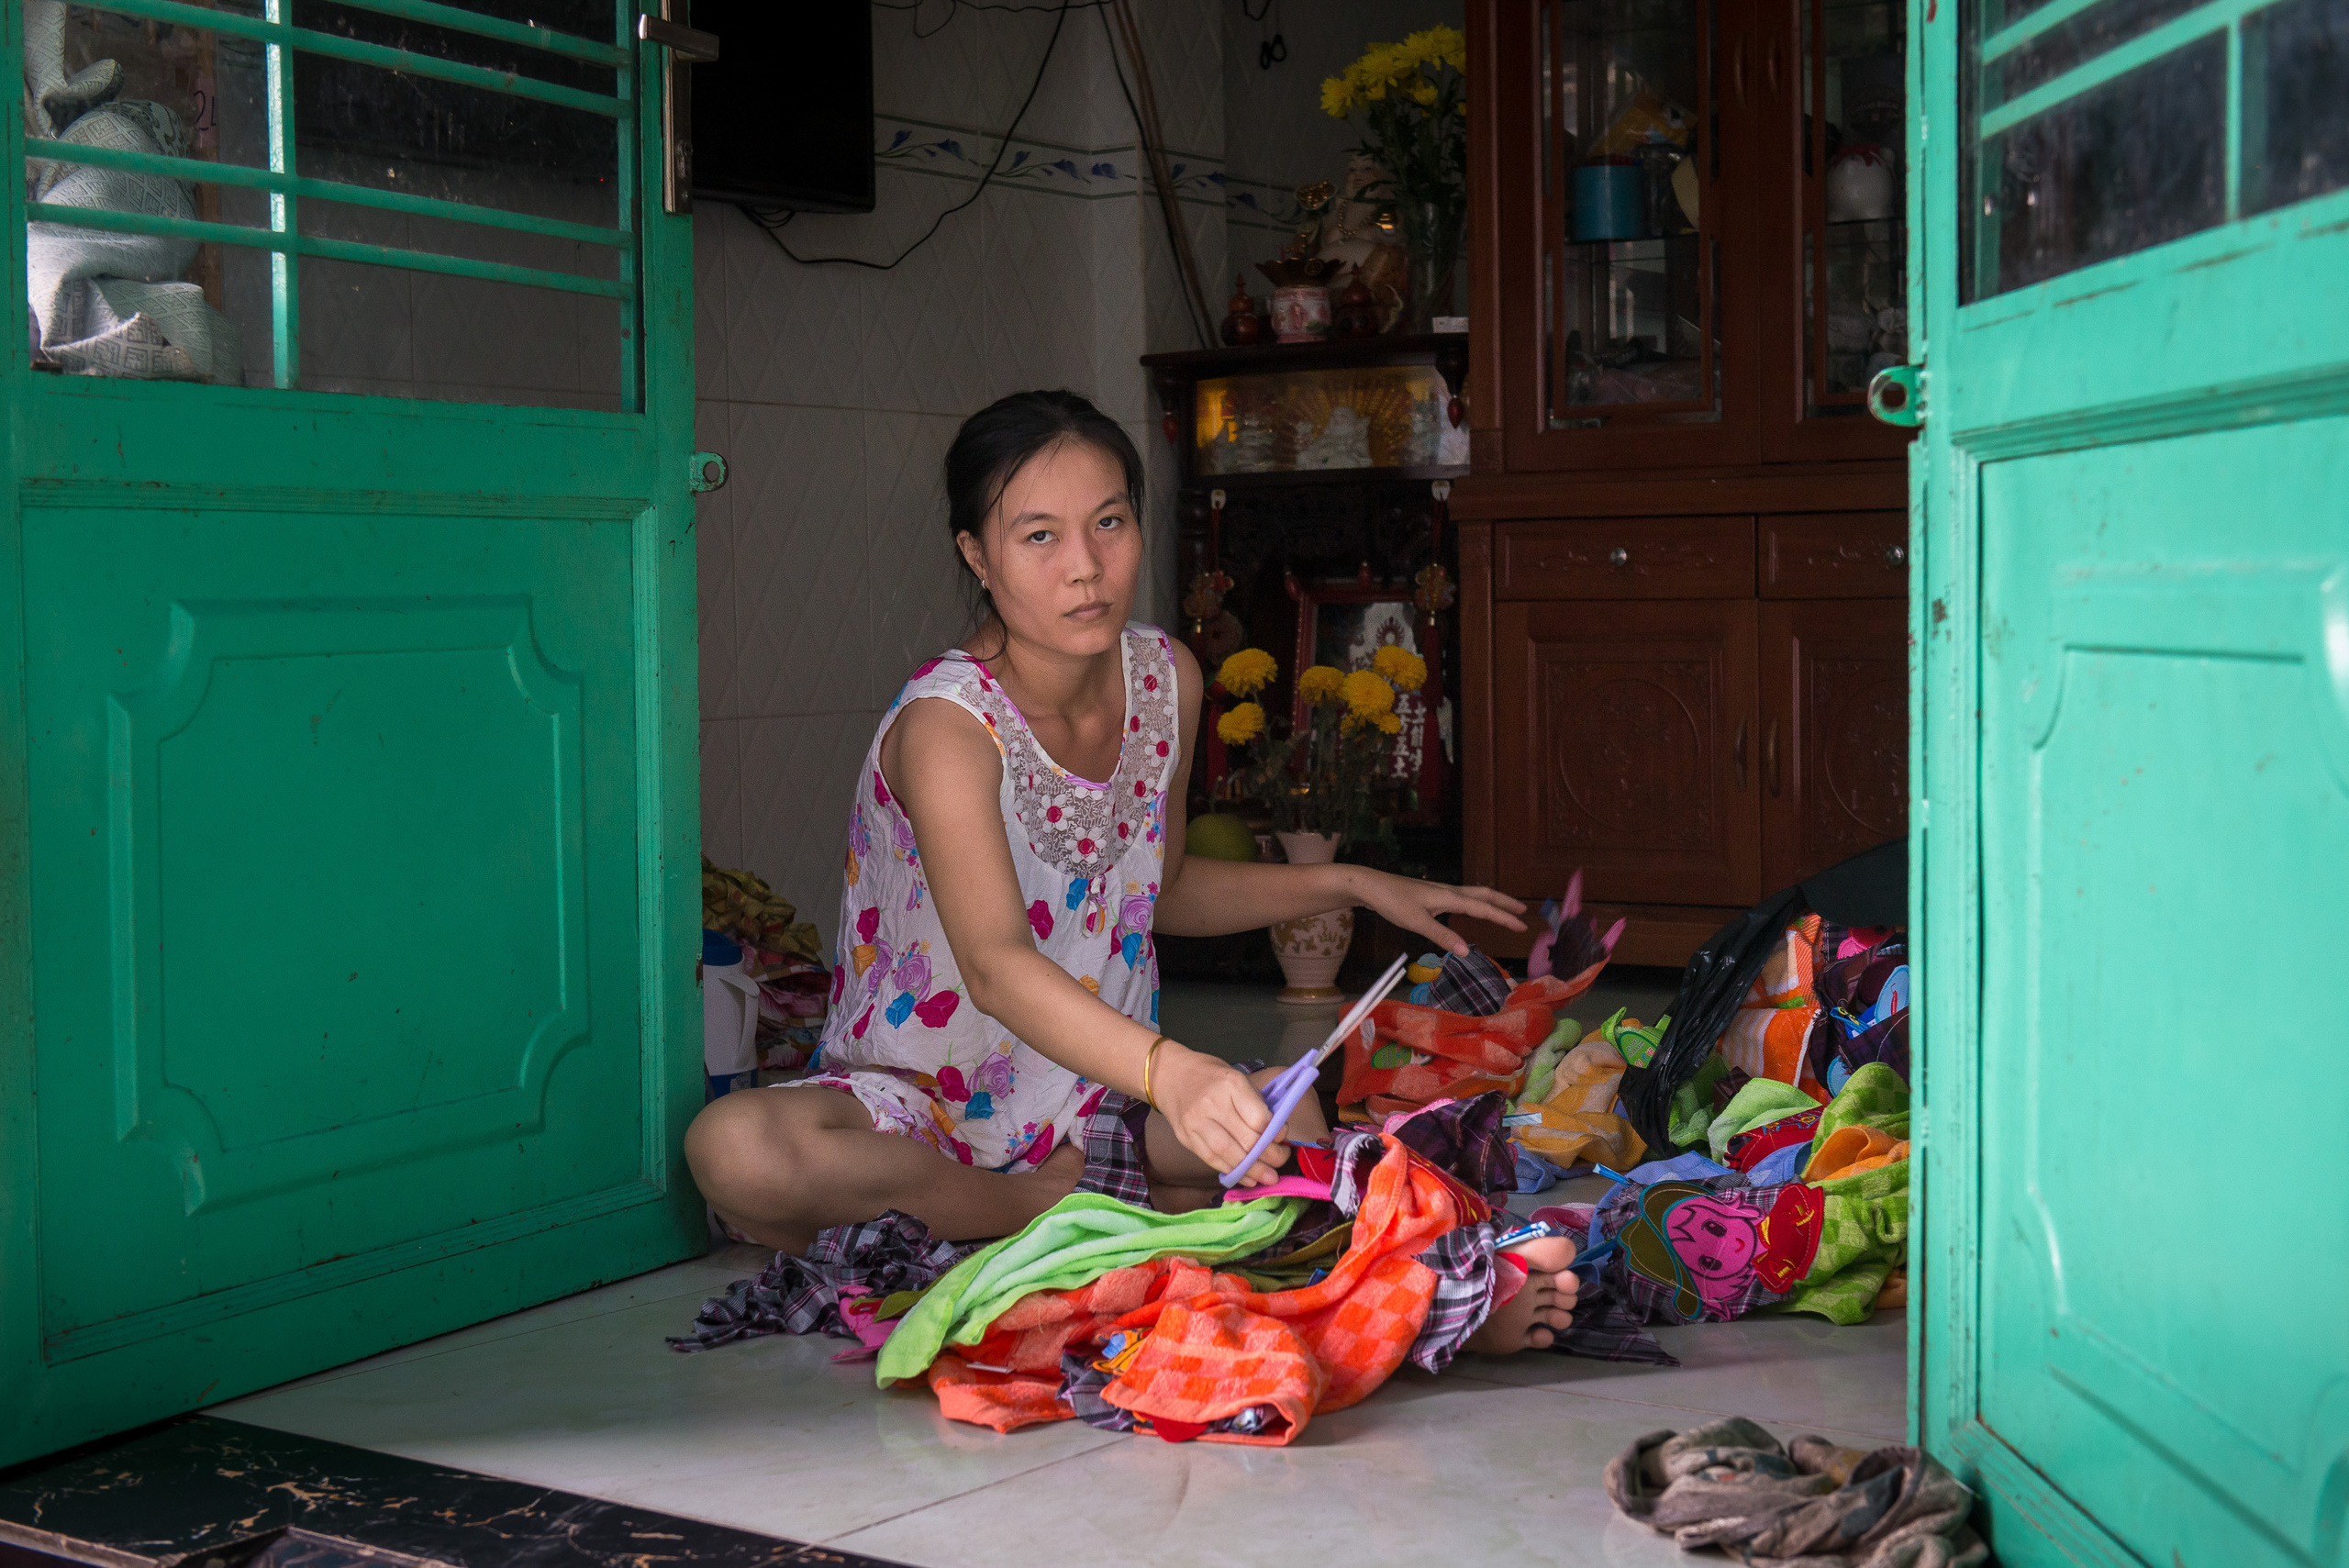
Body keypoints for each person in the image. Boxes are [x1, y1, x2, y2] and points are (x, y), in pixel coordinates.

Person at [686, 390, 1578, 1351]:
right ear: (976, 555)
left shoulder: (1165, 679)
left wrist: (1352, 884)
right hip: (919, 1115)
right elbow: (993, 964)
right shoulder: (947, 724)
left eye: (1108, 522)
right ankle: (1050, 1211)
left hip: (1091, 1104)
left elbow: (1162, 887)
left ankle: (1419, 1292)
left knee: (1288, 1116)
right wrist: (1171, 1068)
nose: (1085, 566)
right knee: (735, 1152)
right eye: (1039, 536)